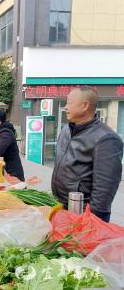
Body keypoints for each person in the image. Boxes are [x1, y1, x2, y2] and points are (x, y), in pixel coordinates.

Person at [51, 86, 123, 222]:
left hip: (84, 214)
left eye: (70, 103)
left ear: (85, 106)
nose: (66, 107)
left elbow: (104, 188)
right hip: (61, 206)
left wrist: (93, 221)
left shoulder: (106, 139)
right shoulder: (67, 129)